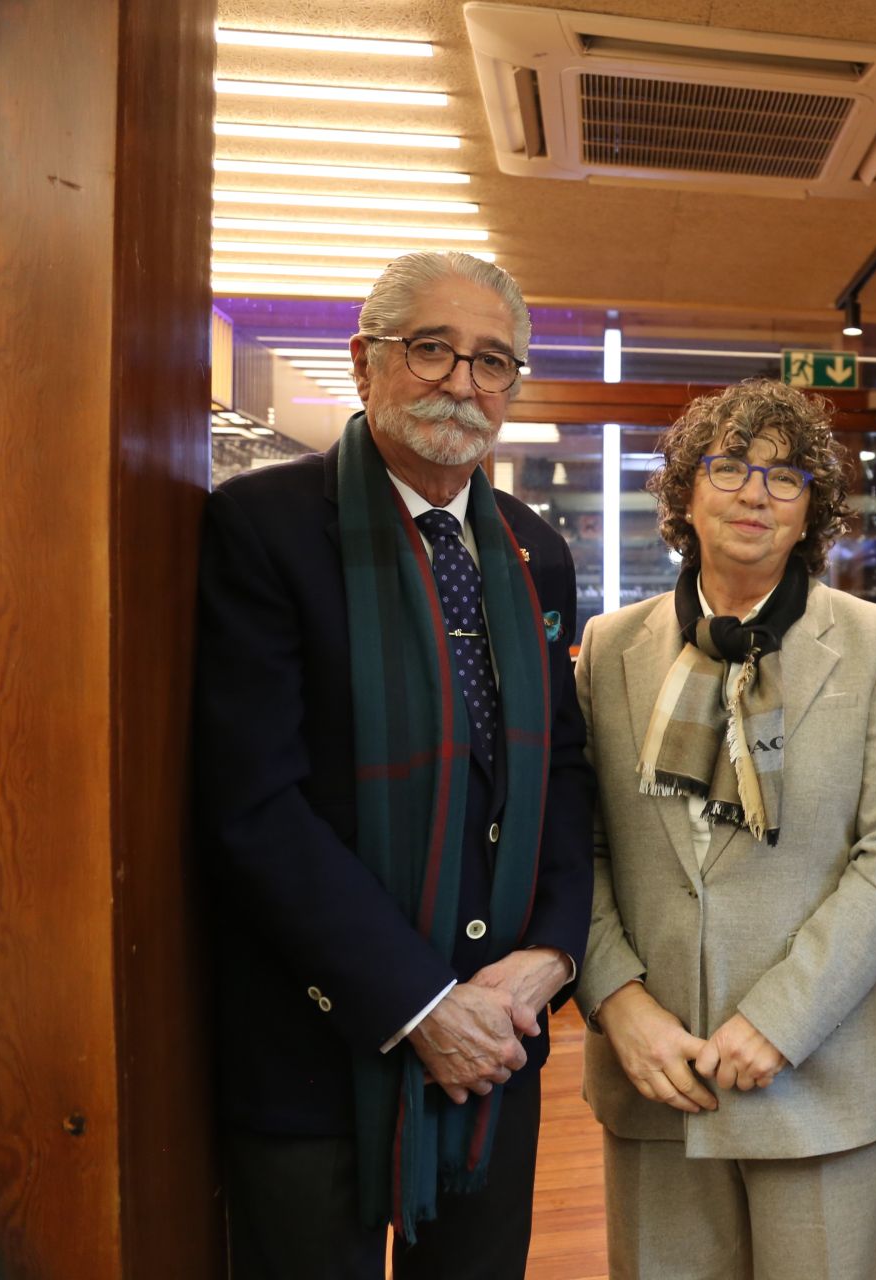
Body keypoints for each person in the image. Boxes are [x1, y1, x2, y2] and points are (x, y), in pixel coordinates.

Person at [196, 251, 595, 1277]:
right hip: (314, 1040)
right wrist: (421, 1003)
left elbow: (561, 772)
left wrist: (552, 952)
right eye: (433, 349)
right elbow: (253, 803)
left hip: (497, 1036)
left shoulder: (532, 550)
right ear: (366, 362)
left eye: (494, 360)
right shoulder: (263, 528)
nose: (463, 383)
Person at [575, 379, 876, 1279]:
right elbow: (577, 847)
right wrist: (618, 1004)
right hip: (656, 1076)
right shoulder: (612, 647)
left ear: (814, 506)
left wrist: (779, 1020)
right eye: (728, 466)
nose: (754, 492)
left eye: (786, 475)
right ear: (684, 493)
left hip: (818, 1074)